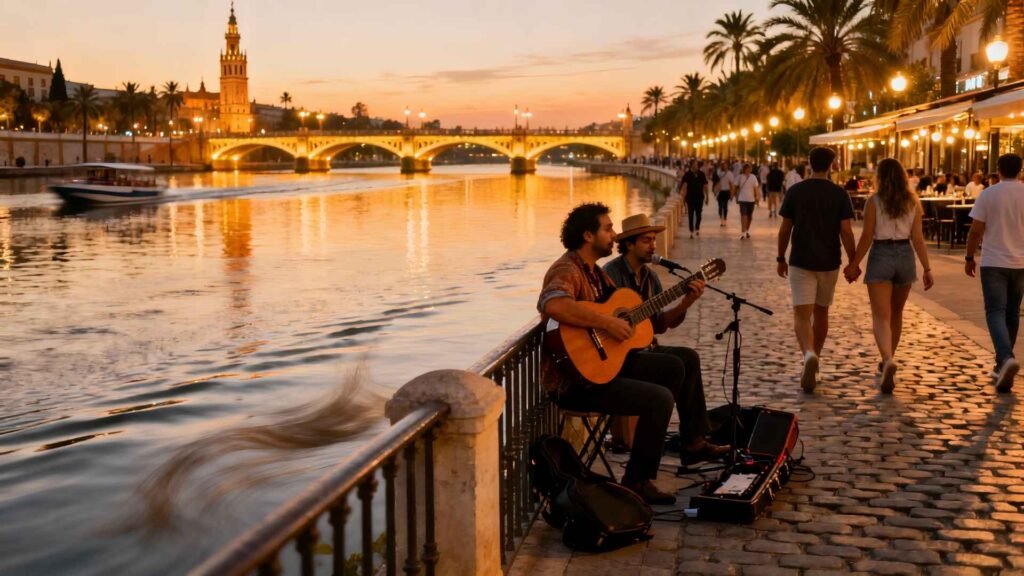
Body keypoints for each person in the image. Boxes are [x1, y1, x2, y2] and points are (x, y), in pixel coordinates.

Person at [537, 203, 717, 504]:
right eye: (607, 229)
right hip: (575, 382)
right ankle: (637, 479)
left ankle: (684, 443)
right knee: (658, 398)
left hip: (603, 366)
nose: (614, 234)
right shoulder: (567, 269)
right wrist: (607, 322)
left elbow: (648, 323)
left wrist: (684, 303)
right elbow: (552, 304)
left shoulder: (595, 274)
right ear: (587, 235)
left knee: (676, 365)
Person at [604, 215, 729, 458]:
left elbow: (660, 325)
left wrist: (687, 301)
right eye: (646, 241)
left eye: (654, 240)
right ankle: (650, 439)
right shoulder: (611, 273)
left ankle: (694, 441)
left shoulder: (651, 279)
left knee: (689, 357)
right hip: (616, 355)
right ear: (628, 244)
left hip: (641, 350)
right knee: (673, 365)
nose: (653, 246)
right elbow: (600, 314)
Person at [844, 159, 934, 393]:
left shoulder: (873, 201)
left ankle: (887, 359)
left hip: (882, 254)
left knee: (881, 316)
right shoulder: (912, 201)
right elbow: (918, 238)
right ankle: (888, 358)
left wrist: (854, 264)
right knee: (896, 314)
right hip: (905, 255)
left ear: (880, 177)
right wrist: (927, 268)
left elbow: (866, 236)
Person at [777, 147, 857, 393]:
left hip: (801, 260)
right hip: (829, 262)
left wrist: (781, 257)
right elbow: (846, 231)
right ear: (832, 165)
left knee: (802, 315)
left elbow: (785, 228)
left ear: (809, 164)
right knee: (821, 314)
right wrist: (853, 262)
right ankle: (816, 360)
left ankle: (808, 355)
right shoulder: (839, 194)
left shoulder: (795, 191)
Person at [965, 153, 1024, 393]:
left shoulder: (988, 194)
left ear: (998, 169)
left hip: (994, 261)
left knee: (995, 311)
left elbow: (976, 230)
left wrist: (969, 257)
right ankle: (1002, 363)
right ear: (1020, 170)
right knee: (1012, 313)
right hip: (1021, 262)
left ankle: (1005, 357)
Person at [735, 163, 760, 239]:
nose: (748, 170)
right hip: (742, 199)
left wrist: (757, 197)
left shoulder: (753, 177)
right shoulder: (740, 177)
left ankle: (747, 230)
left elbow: (756, 188)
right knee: (744, 215)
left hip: (751, 200)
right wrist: (734, 195)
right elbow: (735, 186)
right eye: (747, 168)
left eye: (749, 168)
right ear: (744, 169)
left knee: (749, 217)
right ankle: (743, 232)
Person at [716, 161, 735, 227]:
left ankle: (725, 220)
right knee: (720, 206)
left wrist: (732, 194)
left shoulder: (730, 174)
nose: (724, 166)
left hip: (727, 191)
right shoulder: (719, 172)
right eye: (723, 165)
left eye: (725, 165)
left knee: (725, 207)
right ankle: (721, 220)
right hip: (720, 191)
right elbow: (716, 180)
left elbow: (732, 184)